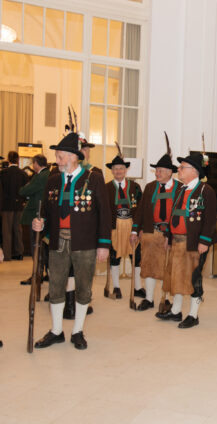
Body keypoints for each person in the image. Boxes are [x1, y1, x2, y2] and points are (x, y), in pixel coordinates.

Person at [32, 129, 111, 350]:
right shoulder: (53, 181)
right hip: (57, 242)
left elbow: (105, 214)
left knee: (84, 287)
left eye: (60, 156)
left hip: (85, 243)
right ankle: (57, 331)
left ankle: (77, 331)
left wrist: (104, 244)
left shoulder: (93, 179)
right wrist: (40, 223)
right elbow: (46, 215)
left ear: (73, 157)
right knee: (56, 285)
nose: (56, 160)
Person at [156, 152, 217, 328]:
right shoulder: (181, 190)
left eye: (182, 167)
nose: (179, 170)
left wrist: (204, 241)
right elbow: (172, 215)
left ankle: (193, 314)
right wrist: (168, 236)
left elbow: (210, 220)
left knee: (193, 277)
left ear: (194, 171)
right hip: (177, 241)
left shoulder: (206, 191)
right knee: (177, 275)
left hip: (194, 243)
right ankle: (176, 311)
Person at [131, 141, 182, 310]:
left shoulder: (180, 189)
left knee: (169, 268)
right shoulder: (150, 187)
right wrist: (134, 230)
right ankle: (149, 299)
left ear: (169, 173)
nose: (157, 173)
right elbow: (140, 210)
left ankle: (166, 298)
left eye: (160, 171)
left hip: (172, 236)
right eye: (156, 170)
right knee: (150, 265)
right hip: (151, 233)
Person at [105, 147, 143, 299]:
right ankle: (116, 287)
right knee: (115, 256)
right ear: (112, 171)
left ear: (126, 170)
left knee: (137, 256)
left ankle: (138, 287)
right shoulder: (106, 188)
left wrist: (138, 228)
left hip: (132, 226)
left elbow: (141, 210)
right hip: (114, 227)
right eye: (115, 169)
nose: (118, 171)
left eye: (121, 168)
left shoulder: (135, 187)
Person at [19, 154, 50, 285]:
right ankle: (45, 273)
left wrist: (24, 188)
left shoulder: (40, 176)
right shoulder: (48, 174)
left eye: (33, 163)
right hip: (45, 214)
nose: (33, 166)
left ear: (37, 163)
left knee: (36, 247)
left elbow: (24, 190)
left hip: (36, 215)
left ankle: (36, 275)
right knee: (44, 247)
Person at [0, 151, 28, 261]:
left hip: (6, 206)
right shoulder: (23, 173)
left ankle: (7, 255)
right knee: (18, 229)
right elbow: (26, 190)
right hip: (19, 205)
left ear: (8, 159)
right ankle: (19, 253)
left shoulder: (3, 173)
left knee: (6, 231)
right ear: (18, 159)